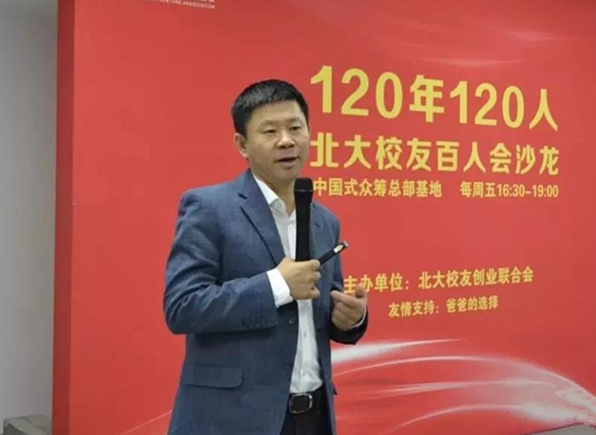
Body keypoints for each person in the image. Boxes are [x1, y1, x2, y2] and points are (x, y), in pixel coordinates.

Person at [164, 79, 368, 435]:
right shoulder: (209, 208)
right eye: (270, 131)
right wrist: (278, 285)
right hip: (232, 419)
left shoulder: (324, 220)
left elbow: (323, 310)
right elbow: (182, 307)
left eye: (295, 128)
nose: (286, 140)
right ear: (242, 144)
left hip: (314, 415)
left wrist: (350, 320)